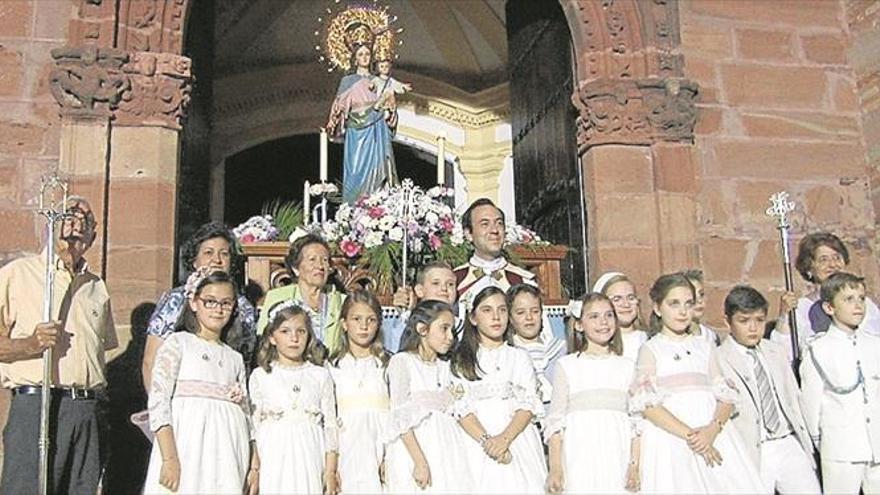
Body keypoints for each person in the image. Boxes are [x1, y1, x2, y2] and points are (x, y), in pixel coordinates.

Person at [0, 196, 117, 494]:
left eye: (85, 218)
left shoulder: (97, 287)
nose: (76, 222)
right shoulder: (18, 274)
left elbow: (102, 351)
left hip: (85, 407)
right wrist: (29, 345)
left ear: (93, 233)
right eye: (69, 214)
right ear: (51, 223)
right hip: (38, 403)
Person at [630, 273, 764, 493]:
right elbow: (648, 405)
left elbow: (726, 396)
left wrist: (712, 429)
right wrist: (693, 437)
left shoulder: (705, 346)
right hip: (674, 438)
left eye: (688, 304)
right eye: (674, 304)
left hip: (714, 434)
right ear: (657, 308)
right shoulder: (651, 349)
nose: (683, 312)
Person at [142, 271, 258, 494]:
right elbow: (159, 402)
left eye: (226, 303)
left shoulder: (234, 358)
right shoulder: (179, 343)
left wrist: (253, 463)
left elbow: (246, 414)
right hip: (188, 446)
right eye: (210, 302)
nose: (218, 309)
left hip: (228, 451)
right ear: (194, 303)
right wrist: (169, 458)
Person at [716, 286, 819, 494]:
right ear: (728, 321)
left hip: (787, 440)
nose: (753, 328)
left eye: (759, 320)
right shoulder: (718, 358)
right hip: (752, 446)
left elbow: (793, 395)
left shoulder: (774, 350)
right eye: (744, 321)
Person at [451, 285, 546, 494]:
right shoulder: (461, 360)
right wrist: (488, 443)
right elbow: (461, 408)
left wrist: (504, 440)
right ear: (473, 318)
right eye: (487, 310)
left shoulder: (519, 357)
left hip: (516, 439)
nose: (496, 317)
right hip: (476, 444)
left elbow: (528, 404)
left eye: (502, 310)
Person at [142, 221, 257, 390]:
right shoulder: (175, 300)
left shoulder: (243, 306)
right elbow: (151, 360)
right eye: (208, 253)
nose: (216, 260)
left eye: (224, 254)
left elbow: (246, 362)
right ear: (194, 261)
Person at [545, 293, 640, 494]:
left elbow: (637, 422)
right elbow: (555, 423)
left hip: (618, 452)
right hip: (580, 455)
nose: (603, 322)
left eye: (608, 315)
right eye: (594, 317)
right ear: (579, 324)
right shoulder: (568, 366)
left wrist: (634, 465)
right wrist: (556, 468)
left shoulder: (628, 366)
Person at [801, 272, 880, 493]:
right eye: (848, 299)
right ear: (829, 308)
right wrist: (820, 441)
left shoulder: (875, 345)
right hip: (841, 446)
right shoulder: (819, 349)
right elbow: (811, 403)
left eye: (861, 298)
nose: (858, 306)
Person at [384, 300, 473, 493]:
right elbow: (399, 417)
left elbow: (458, 408)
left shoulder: (446, 367)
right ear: (422, 329)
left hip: (446, 448)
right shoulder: (403, 362)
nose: (450, 337)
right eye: (444, 329)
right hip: (416, 449)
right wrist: (420, 461)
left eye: (452, 330)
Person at [250, 301, 339, 495]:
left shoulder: (320, 375)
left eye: (301, 331)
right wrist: (255, 467)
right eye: (285, 332)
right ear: (272, 337)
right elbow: (254, 427)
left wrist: (330, 470)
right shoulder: (261, 375)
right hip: (274, 451)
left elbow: (330, 425)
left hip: (309, 450)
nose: (294, 338)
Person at [774, 232, 880, 360]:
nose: (832, 265)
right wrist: (784, 315)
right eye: (823, 260)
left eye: (836, 258)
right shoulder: (801, 308)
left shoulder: (863, 303)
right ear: (809, 268)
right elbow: (784, 353)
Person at [327, 290, 390, 493]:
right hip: (346, 449)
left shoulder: (387, 365)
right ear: (345, 323)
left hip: (380, 447)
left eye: (371, 320)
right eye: (357, 319)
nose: (364, 326)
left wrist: (389, 456)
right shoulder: (332, 367)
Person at [327, 42, 398, 203]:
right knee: (355, 169)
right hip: (357, 129)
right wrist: (334, 119)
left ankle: (376, 203)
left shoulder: (379, 80)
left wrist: (392, 112)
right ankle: (353, 206)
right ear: (354, 59)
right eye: (360, 54)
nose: (364, 57)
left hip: (377, 128)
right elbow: (338, 106)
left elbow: (390, 105)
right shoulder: (348, 81)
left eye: (367, 54)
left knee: (379, 168)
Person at [257, 234, 345, 354]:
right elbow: (263, 339)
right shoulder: (277, 297)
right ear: (296, 268)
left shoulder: (342, 301)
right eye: (312, 260)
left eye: (324, 260)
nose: (320, 266)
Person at [454, 199, 537, 302]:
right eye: (485, 224)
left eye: (499, 223)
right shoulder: (455, 281)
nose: (494, 230)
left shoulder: (523, 280)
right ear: (468, 234)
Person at [508, 284, 565, 405]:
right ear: (510, 318)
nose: (529, 317)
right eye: (520, 313)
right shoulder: (508, 354)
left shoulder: (560, 350)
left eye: (534, 311)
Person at [386, 261, 458, 352]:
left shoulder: (461, 323)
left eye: (450, 284)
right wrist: (405, 313)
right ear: (420, 290)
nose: (444, 288)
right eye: (436, 283)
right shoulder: (404, 320)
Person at [593, 271, 649, 361]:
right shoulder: (596, 345)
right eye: (617, 299)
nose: (626, 304)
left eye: (631, 298)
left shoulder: (649, 339)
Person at [681, 269, 720, 344]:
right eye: (692, 295)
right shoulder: (674, 337)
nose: (699, 301)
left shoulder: (712, 337)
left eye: (701, 294)